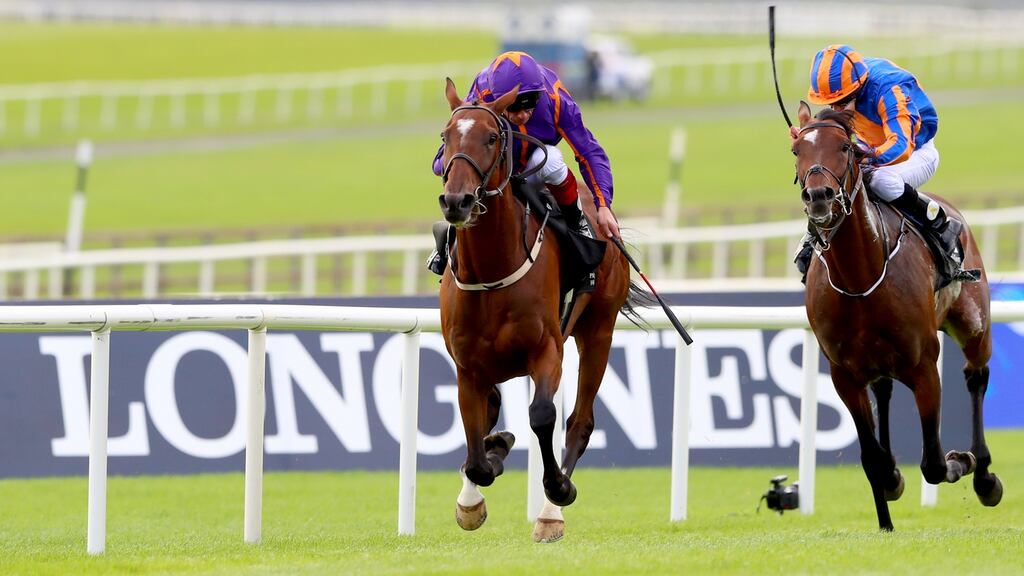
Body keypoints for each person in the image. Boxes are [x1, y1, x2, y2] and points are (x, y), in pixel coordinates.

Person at [427, 51, 620, 292]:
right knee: (470, 177)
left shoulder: (557, 100)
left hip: (534, 164)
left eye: (529, 106)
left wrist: (603, 205)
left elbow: (589, 152)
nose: (521, 115)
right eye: (514, 107)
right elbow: (464, 135)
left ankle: (576, 222)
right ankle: (449, 240)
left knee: (550, 159)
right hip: (499, 163)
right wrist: (445, 162)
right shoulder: (484, 91)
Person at [791, 44, 962, 280]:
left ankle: (938, 221)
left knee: (879, 180)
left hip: (916, 153)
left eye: (841, 102)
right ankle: (814, 236)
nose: (836, 108)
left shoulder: (889, 88)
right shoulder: (848, 83)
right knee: (835, 178)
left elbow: (901, 145)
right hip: (870, 146)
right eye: (831, 104)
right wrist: (809, 136)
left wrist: (866, 158)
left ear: (857, 87)